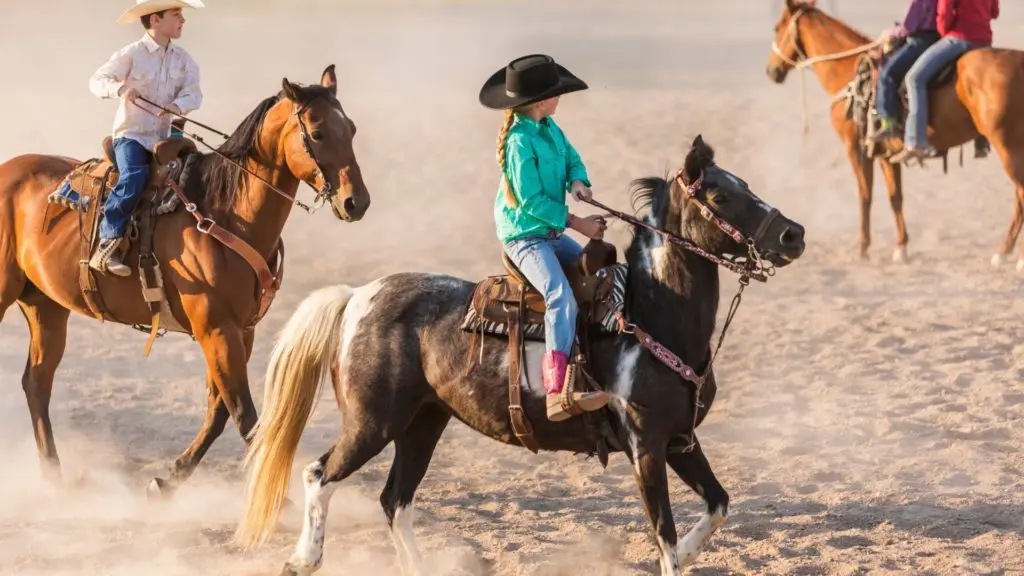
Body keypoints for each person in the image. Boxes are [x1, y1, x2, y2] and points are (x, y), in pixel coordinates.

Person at [478, 54, 611, 422]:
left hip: (549, 232)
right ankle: (556, 389)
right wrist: (578, 223)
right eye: (556, 94)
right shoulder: (519, 141)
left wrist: (578, 181)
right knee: (560, 296)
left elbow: (571, 159)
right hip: (526, 236)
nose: (559, 99)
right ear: (540, 101)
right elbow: (532, 202)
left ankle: (585, 364)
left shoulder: (550, 127)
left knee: (597, 277)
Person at [86, 0, 204, 276]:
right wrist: (120, 89)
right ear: (155, 20)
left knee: (197, 176)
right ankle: (108, 241)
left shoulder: (184, 60)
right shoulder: (132, 54)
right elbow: (97, 80)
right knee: (134, 177)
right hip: (132, 135)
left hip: (166, 137)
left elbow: (194, 93)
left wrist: (178, 106)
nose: (182, 21)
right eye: (177, 15)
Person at [891, 0, 999, 164]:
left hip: (959, 38)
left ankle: (915, 142)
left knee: (914, 79)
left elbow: (944, 11)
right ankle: (982, 140)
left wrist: (943, 31)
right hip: (984, 40)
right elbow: (994, 12)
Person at [867, 0, 939, 146]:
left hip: (919, 41)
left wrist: (889, 33)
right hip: (938, 39)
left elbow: (908, 27)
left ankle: (889, 122)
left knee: (886, 74)